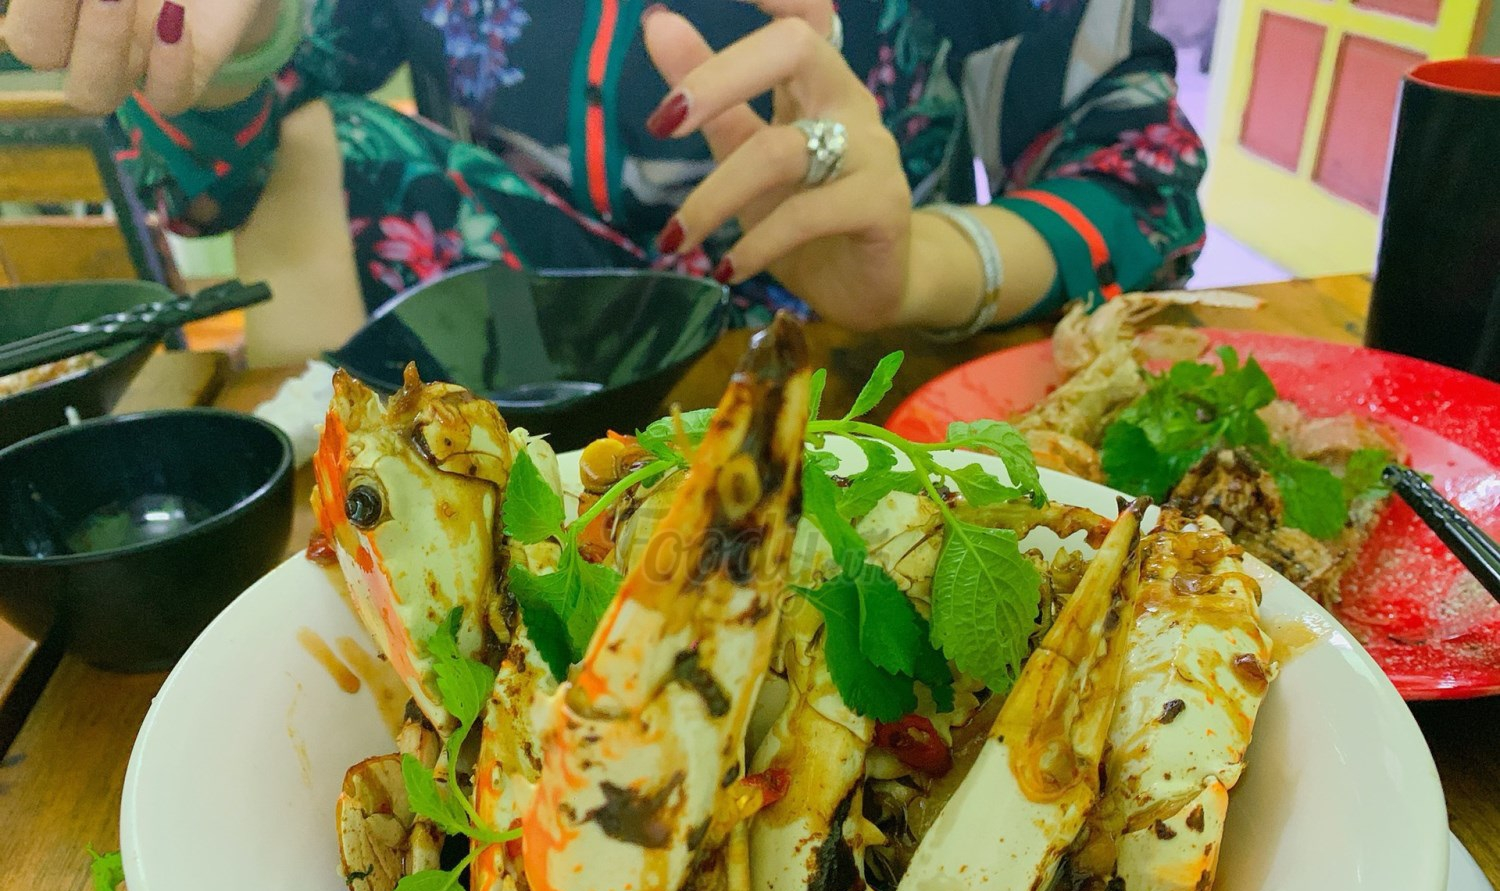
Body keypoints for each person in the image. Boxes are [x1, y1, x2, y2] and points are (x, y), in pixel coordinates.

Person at [3, 0, 1206, 338]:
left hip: (867, 407)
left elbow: (1139, 174)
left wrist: (926, 264)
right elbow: (216, 185)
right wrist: (228, 52)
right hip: (503, 420)